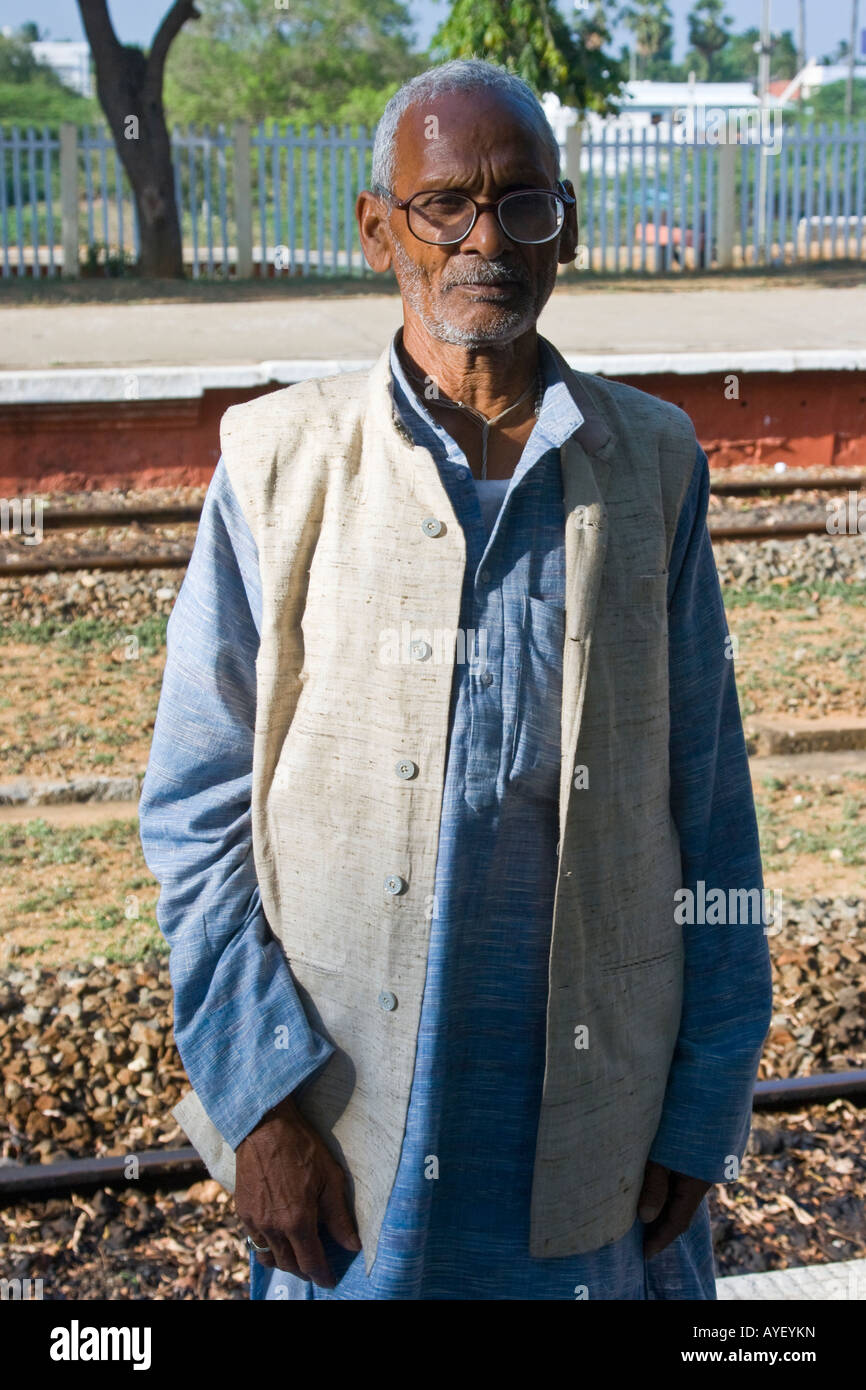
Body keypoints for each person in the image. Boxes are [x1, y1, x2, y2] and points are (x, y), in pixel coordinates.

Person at [139, 57, 773, 1301]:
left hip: (596, 1115)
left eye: (523, 202)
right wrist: (260, 1099)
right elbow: (196, 810)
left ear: (565, 230)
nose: (486, 237)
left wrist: (704, 1095)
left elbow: (710, 808)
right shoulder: (279, 461)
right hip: (347, 1123)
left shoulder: (649, 465)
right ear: (378, 226)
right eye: (445, 204)